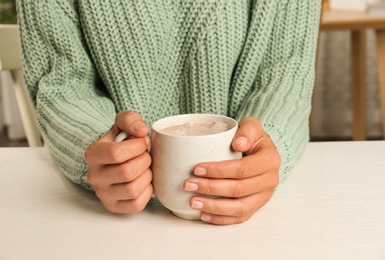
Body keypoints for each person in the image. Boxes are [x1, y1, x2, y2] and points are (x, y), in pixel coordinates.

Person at [17, 1, 321, 225]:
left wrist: (268, 145)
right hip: (108, 224)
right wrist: (98, 146)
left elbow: (285, 73)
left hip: (248, 229)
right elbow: (61, 81)